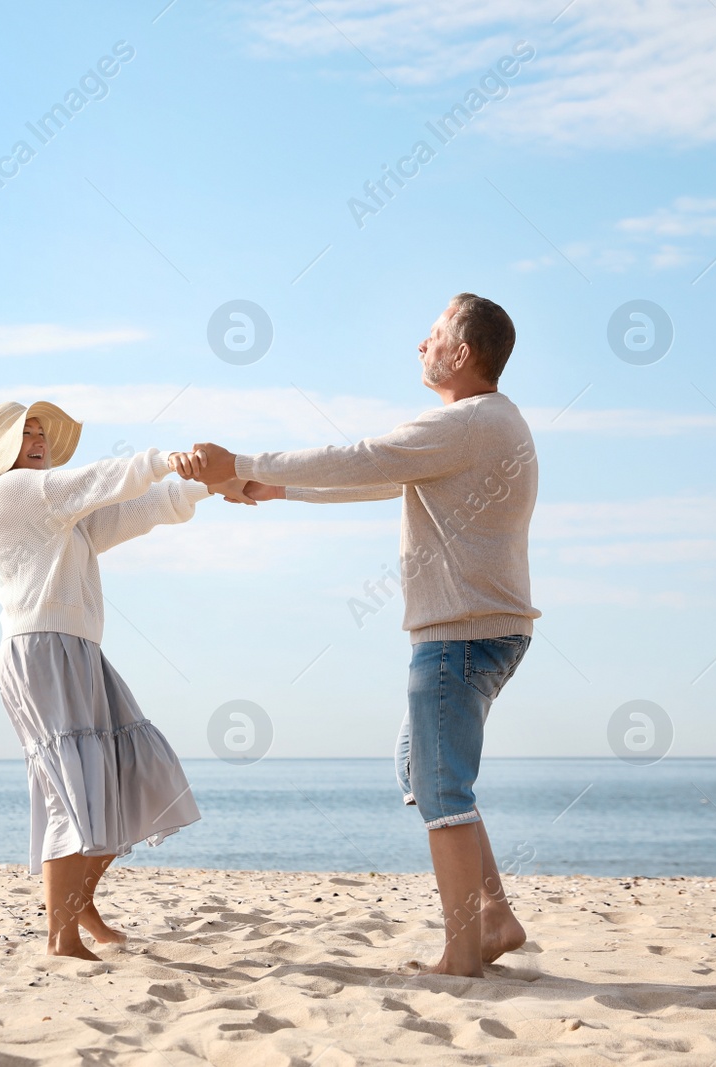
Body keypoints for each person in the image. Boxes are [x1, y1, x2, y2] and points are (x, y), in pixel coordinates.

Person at [171, 293, 539, 978]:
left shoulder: (467, 422)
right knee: (421, 769)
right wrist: (269, 487)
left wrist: (243, 459)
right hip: (484, 630)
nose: (420, 345)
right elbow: (381, 476)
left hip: (460, 634)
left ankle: (463, 953)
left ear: (461, 353)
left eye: (432, 335)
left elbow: (365, 456)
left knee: (443, 790)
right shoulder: (487, 424)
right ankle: (494, 914)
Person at [0, 400, 249, 960]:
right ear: (3, 447)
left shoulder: (57, 508)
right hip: (42, 650)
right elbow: (101, 480)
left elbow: (127, 514)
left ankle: (81, 907)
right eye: (27, 433)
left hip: (79, 651)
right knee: (71, 796)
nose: (39, 440)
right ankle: (61, 937)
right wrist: (164, 459)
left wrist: (207, 486)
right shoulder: (13, 492)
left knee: (121, 779)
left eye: (43, 432)